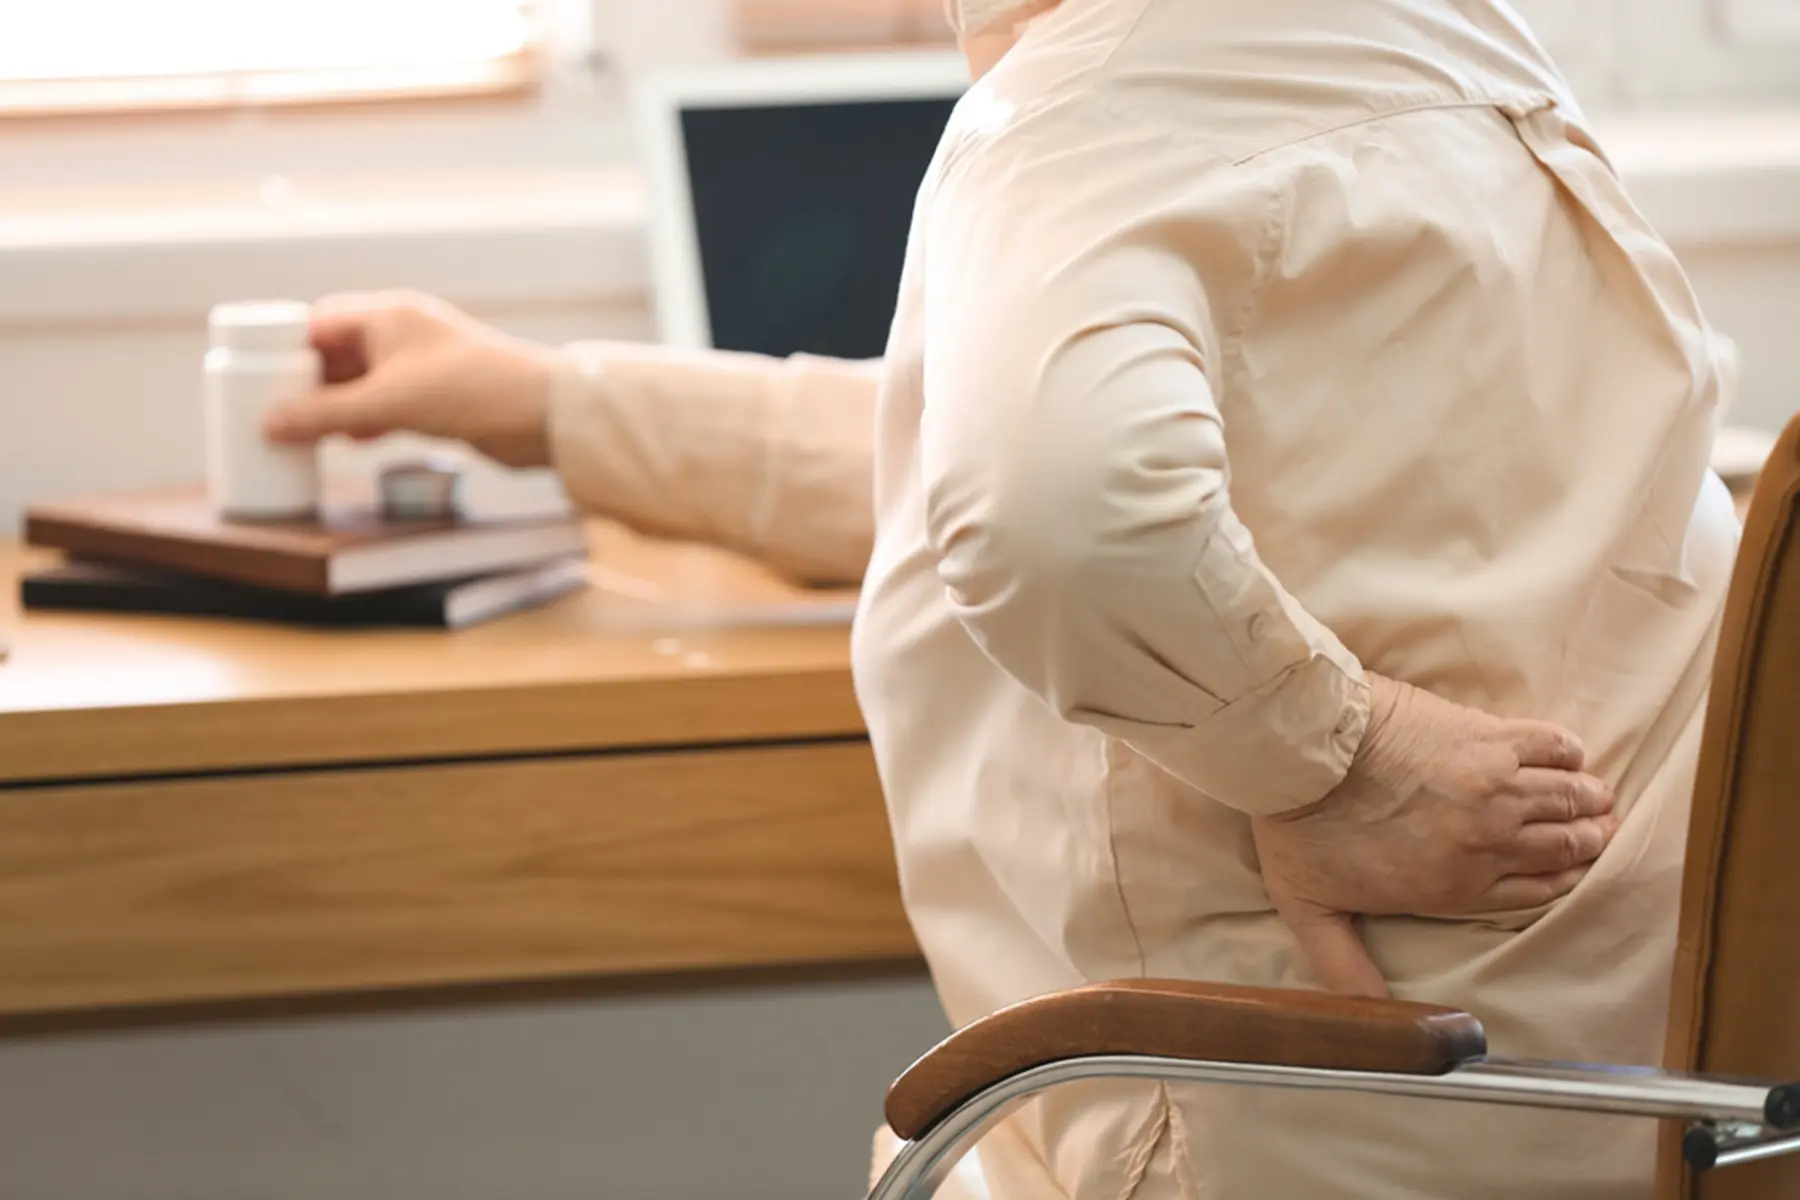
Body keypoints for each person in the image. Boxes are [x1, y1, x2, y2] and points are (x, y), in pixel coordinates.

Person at [265, 0, 1741, 1194]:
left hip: (1280, 1125)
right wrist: (545, 405)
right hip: (1614, 1100)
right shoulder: (1435, 46)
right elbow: (990, 468)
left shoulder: (1086, 108)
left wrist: (1339, 758)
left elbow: (1058, 511)